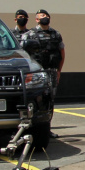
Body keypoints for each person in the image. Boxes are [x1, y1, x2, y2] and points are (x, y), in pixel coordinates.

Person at [22, 9, 65, 138]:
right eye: (42, 16)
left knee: (49, 101)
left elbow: (61, 54)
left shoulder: (56, 34)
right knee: (34, 100)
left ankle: (46, 129)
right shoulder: (29, 35)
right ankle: (28, 128)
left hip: (51, 72)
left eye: (46, 15)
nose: (45, 17)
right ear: (36, 19)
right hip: (36, 73)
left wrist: (58, 71)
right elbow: (23, 55)